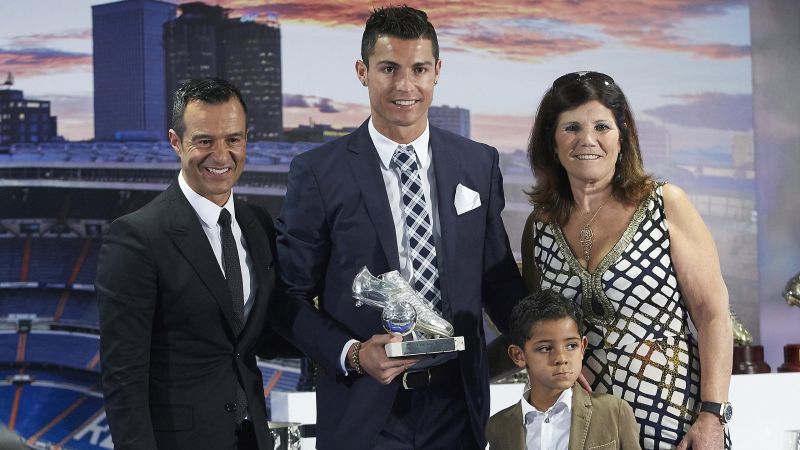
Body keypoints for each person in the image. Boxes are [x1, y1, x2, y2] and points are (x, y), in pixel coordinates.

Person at [273, 6, 526, 450]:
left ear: (437, 71)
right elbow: (287, 296)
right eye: (389, 68)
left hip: (457, 406)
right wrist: (353, 354)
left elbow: (498, 278)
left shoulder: (477, 162)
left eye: (419, 69)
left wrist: (542, 341)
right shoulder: (318, 172)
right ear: (363, 72)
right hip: (364, 409)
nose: (405, 86)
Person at [520, 71, 732, 450]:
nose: (588, 139)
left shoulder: (665, 204)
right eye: (571, 127)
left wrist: (712, 415)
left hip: (676, 426)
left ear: (623, 137)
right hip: (584, 432)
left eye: (602, 126)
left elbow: (713, 315)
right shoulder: (540, 226)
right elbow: (537, 327)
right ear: (552, 142)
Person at [97, 78, 287, 450]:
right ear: (175, 141)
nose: (221, 155)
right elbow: (123, 377)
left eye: (233, 139)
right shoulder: (137, 237)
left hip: (252, 438)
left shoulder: (258, 223)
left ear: (246, 140)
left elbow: (259, 336)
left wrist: (350, 345)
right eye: (204, 141)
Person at [487, 290, 641, 450]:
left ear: (582, 347)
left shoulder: (613, 412)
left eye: (571, 346)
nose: (561, 358)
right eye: (545, 348)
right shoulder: (499, 427)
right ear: (518, 355)